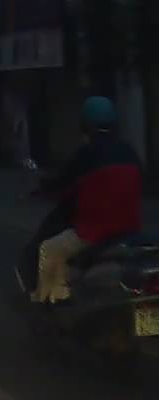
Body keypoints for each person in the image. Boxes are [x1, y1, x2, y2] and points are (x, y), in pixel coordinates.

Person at [28, 96, 143, 304]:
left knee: (48, 249)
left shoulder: (86, 153)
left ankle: (48, 303)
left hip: (94, 230)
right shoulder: (129, 151)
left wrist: (42, 185)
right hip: (128, 229)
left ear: (86, 125)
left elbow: (62, 180)